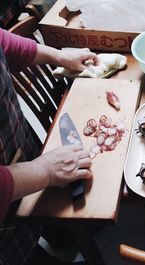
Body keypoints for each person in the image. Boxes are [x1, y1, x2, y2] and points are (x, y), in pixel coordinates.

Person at [0, 29, 97, 265]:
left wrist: (58, 56)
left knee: (44, 213)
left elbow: (2, 42)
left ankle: (63, 235)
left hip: (14, 146)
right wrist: (44, 171)